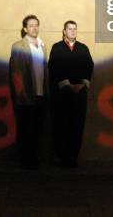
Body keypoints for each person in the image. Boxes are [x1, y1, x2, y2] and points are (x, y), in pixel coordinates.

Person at [48, 21, 93, 167]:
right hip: (62, 94)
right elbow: (53, 67)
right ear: (64, 31)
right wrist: (67, 84)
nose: (73, 32)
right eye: (70, 29)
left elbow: (89, 66)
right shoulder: (57, 48)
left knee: (77, 125)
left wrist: (83, 83)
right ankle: (62, 157)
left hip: (80, 93)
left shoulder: (83, 48)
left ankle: (73, 158)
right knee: (62, 124)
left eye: (75, 29)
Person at [9, 15, 47, 169]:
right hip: (26, 96)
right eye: (31, 25)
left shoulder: (43, 46)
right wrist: (22, 94)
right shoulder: (18, 46)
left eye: (36, 25)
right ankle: (25, 161)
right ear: (25, 29)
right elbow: (16, 73)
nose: (34, 28)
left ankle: (33, 159)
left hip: (41, 95)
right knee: (26, 130)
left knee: (37, 130)